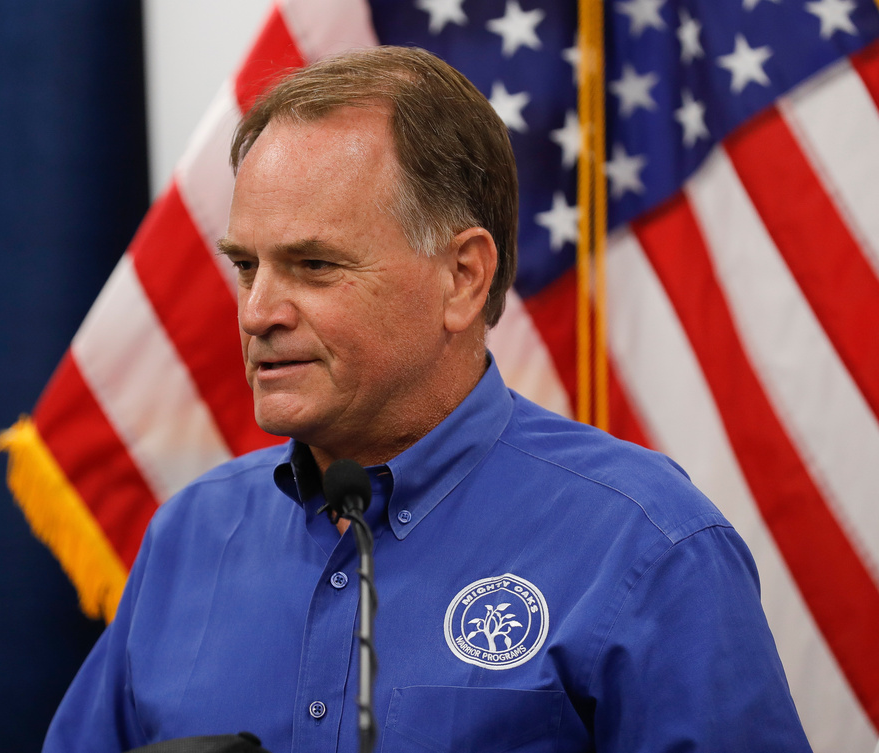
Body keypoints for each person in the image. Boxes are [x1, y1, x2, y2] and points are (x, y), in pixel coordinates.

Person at [43, 46, 811, 752]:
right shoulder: (190, 536)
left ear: (463, 277)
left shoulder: (646, 544)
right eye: (247, 266)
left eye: (314, 265)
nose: (257, 312)